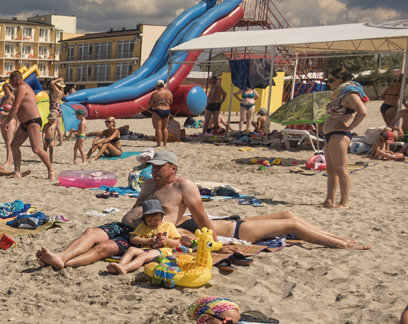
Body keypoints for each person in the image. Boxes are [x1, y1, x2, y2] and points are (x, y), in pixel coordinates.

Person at [37, 149, 368, 271]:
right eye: (153, 166)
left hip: (231, 229)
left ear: (173, 169)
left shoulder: (185, 187)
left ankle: (341, 242)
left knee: (290, 221)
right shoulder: (149, 185)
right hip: (168, 228)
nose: (153, 170)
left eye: (160, 167)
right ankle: (62, 258)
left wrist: (214, 243)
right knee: (288, 220)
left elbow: (204, 224)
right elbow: (139, 210)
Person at [321, 68, 367, 209]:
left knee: (341, 169)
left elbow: (362, 112)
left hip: (339, 135)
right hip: (330, 135)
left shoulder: (350, 93)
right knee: (330, 169)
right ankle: (329, 200)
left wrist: (349, 127)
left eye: (331, 80)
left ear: (340, 79)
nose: (328, 83)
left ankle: (344, 202)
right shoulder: (339, 94)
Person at [105, 198, 182, 275]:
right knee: (132, 249)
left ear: (162, 216)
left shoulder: (169, 226)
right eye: (149, 221)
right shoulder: (143, 226)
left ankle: (125, 269)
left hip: (162, 252)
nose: (152, 223)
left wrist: (167, 240)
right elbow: (132, 239)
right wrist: (148, 241)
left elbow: (177, 243)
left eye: (156, 220)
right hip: (146, 249)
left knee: (144, 255)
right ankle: (120, 266)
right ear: (144, 219)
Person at [6, 71, 55, 179]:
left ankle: (51, 170)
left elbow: (15, 107)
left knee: (36, 149)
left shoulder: (22, 87)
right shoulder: (19, 88)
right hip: (25, 123)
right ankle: (17, 171)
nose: (10, 83)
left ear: (14, 79)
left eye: (10, 80)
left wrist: (8, 121)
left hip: (33, 121)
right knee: (14, 145)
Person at [149, 80, 174, 148]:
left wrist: (156, 103)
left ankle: (158, 144)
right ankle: (165, 144)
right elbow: (171, 102)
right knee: (165, 128)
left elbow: (150, 103)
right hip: (167, 110)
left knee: (158, 128)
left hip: (158, 110)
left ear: (157, 86)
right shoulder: (169, 93)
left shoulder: (155, 94)